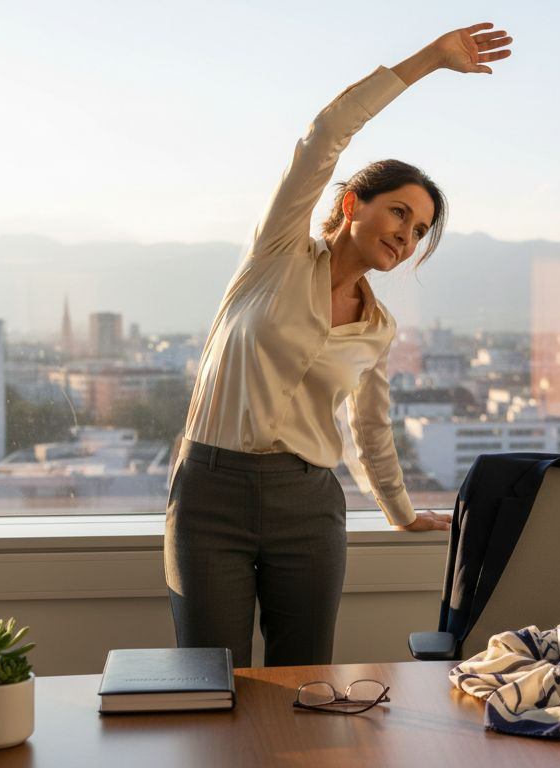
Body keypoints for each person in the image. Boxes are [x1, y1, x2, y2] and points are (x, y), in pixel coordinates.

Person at [165, 23, 513, 668]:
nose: (407, 236)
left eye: (420, 231)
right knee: (210, 678)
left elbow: (370, 428)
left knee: (304, 678)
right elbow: (325, 137)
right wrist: (432, 60)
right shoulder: (274, 257)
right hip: (210, 493)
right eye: (400, 214)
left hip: (309, 505)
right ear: (353, 204)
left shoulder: (378, 328)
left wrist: (400, 510)